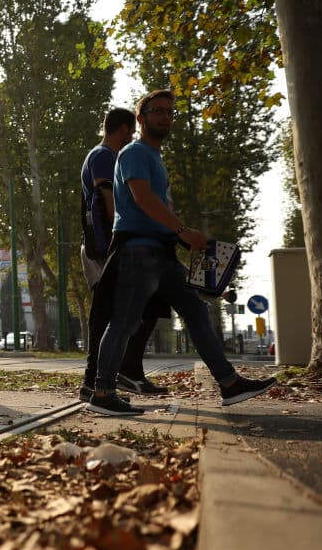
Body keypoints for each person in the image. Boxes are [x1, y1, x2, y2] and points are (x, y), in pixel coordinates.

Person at [88, 90, 276, 415]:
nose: (164, 117)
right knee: (124, 321)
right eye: (157, 111)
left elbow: (159, 205)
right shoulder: (134, 152)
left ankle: (229, 384)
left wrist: (184, 236)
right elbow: (143, 199)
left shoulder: (155, 158)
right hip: (138, 250)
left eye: (169, 112)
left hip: (161, 253)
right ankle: (102, 392)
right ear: (141, 118)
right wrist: (182, 231)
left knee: (196, 312)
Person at [79, 107, 168, 401]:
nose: (131, 138)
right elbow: (108, 200)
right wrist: (123, 240)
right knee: (107, 312)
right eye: (130, 132)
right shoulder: (104, 156)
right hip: (108, 245)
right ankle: (97, 380)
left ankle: (118, 373)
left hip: (108, 244)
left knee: (130, 308)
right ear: (122, 130)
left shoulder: (102, 155)